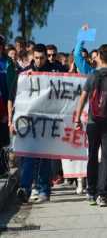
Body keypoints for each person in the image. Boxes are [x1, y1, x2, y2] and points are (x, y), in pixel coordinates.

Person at [74, 44, 107, 207]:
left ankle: (90, 192)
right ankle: (102, 195)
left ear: (98, 58)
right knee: (106, 158)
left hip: (92, 122)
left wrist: (77, 118)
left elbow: (82, 98)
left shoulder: (92, 75)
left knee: (92, 156)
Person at [12, 44, 63, 204]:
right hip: (29, 122)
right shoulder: (24, 74)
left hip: (48, 122)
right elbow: (17, 99)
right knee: (28, 156)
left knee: (45, 157)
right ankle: (25, 188)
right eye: (37, 58)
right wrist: (14, 119)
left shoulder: (55, 71)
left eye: (42, 58)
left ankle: (44, 189)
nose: (39, 61)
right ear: (32, 57)